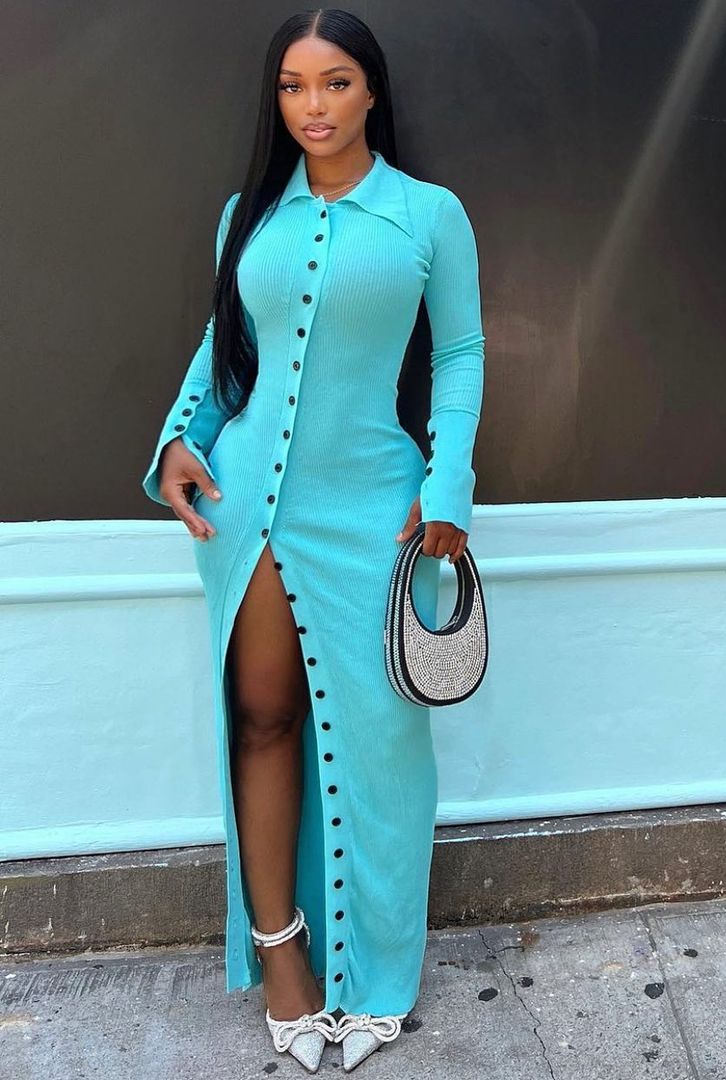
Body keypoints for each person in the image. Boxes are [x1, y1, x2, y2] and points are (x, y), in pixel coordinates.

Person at [140, 8, 484, 1073]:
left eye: (334, 83)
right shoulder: (249, 217)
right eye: (293, 86)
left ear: (371, 90)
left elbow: (461, 355)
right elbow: (226, 348)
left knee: (385, 741)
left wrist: (449, 486)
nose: (313, 106)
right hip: (248, 505)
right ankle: (281, 959)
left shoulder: (428, 215)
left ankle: (378, 975)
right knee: (262, 719)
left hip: (378, 509)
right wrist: (178, 440)